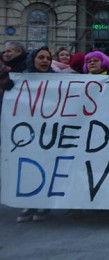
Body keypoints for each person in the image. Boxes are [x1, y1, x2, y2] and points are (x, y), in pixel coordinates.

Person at [16, 47, 54, 222]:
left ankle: (43, 203)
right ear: (33, 59)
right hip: (28, 131)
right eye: (41, 57)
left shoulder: (58, 79)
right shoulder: (21, 80)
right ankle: (28, 203)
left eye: (47, 58)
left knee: (45, 165)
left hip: (50, 132)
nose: (45, 61)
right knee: (28, 167)